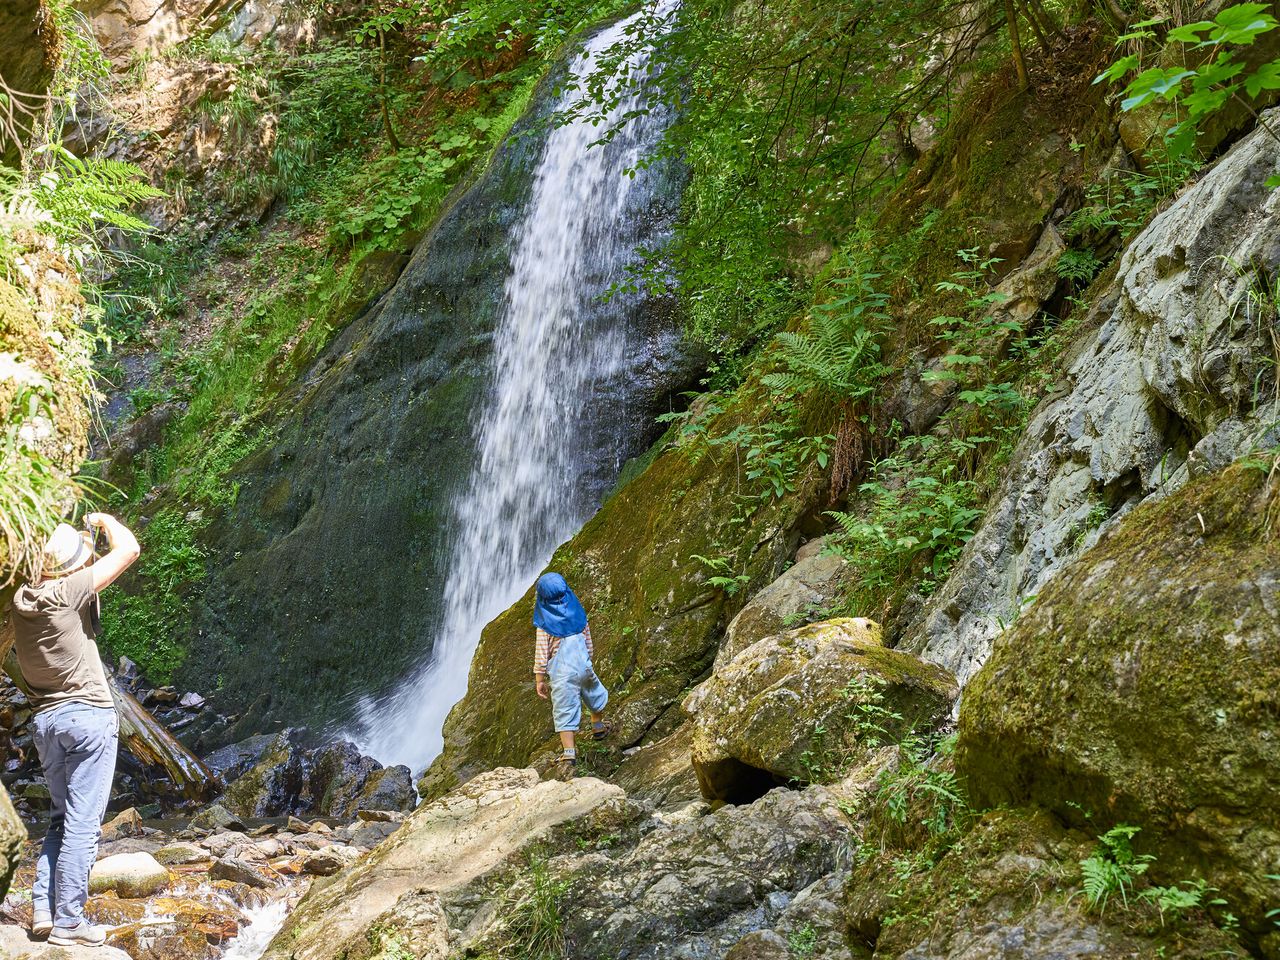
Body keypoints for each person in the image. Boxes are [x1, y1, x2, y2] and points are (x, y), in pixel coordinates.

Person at [10, 514, 139, 947]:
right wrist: (105, 521)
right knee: (83, 826)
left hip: (45, 724)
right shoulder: (68, 591)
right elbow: (129, 550)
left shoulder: (21, 599)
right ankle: (70, 923)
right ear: (69, 568)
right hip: (87, 720)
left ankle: (44, 910)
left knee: (60, 820)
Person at [532, 572, 610, 776]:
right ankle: (598, 726)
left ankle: (569, 752)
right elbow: (588, 643)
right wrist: (587, 661)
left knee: (564, 709)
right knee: (593, 693)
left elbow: (542, 654)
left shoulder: (545, 626)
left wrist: (540, 678)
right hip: (583, 666)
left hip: (562, 675)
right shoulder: (578, 615)